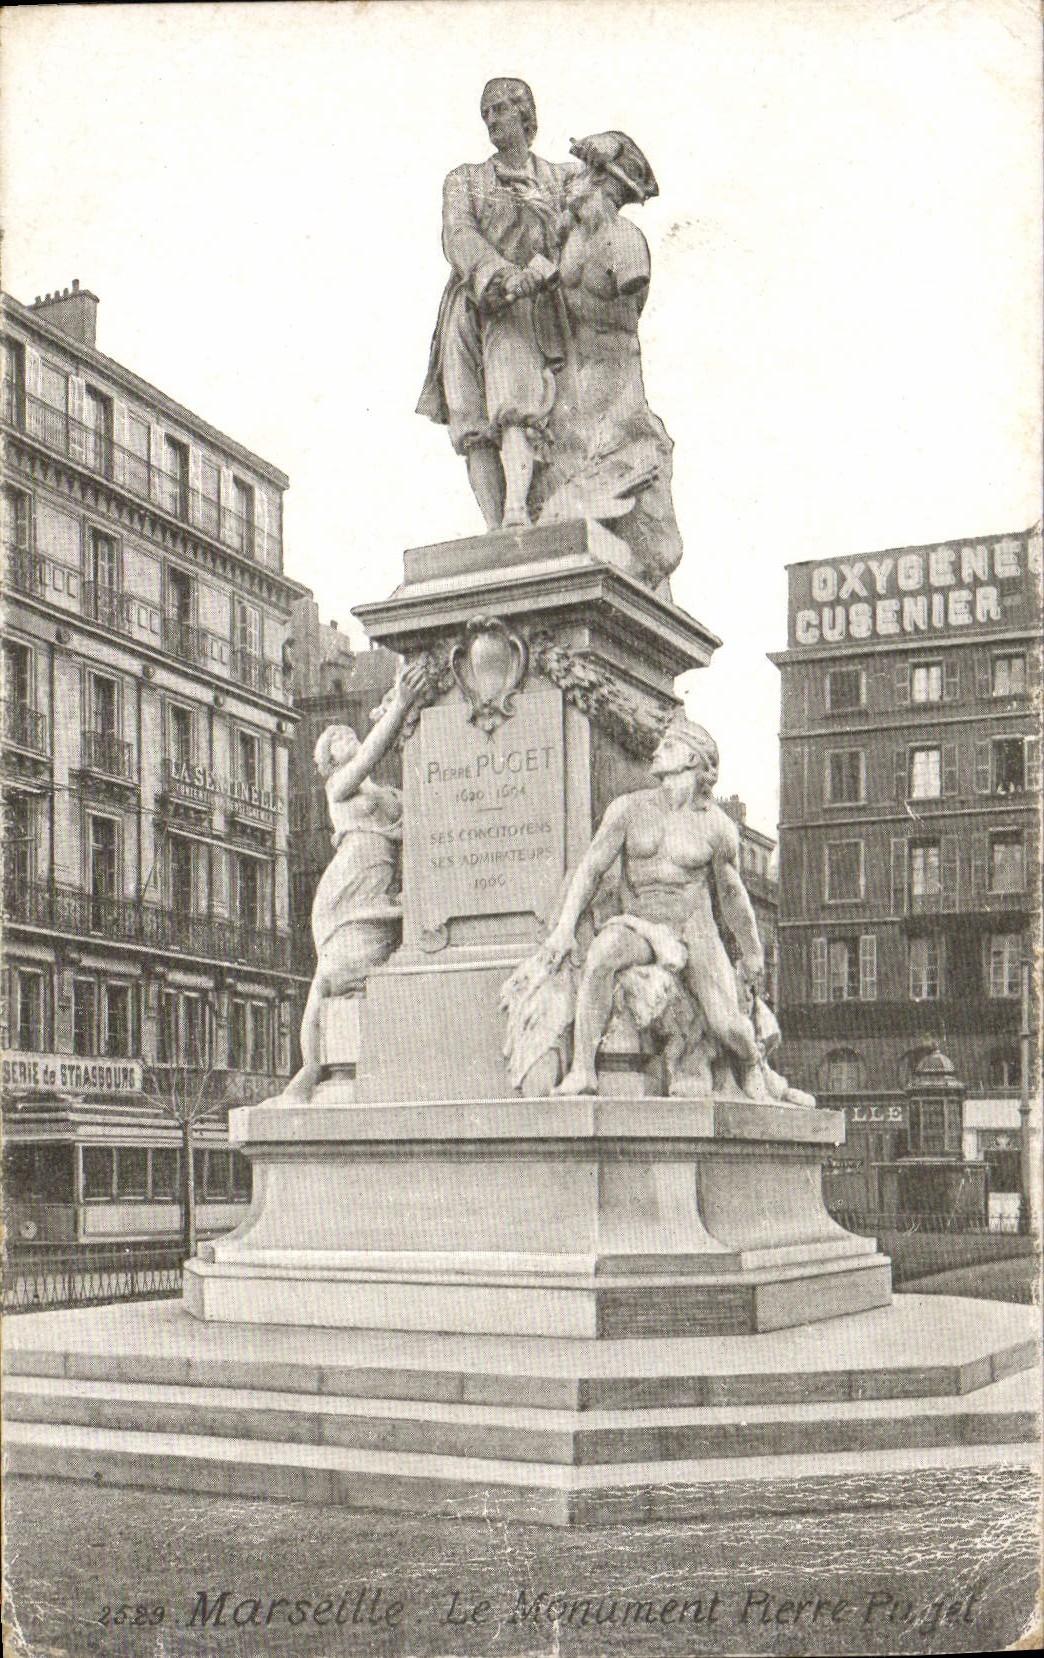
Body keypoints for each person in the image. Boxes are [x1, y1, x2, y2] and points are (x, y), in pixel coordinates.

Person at [538, 714, 767, 1098]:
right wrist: (564, 928)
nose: (657, 751)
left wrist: (753, 952)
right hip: (641, 923)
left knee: (727, 1024)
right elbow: (591, 868)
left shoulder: (717, 826)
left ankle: (751, 1060)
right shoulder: (628, 809)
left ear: (693, 760)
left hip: (695, 928)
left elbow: (732, 897)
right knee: (601, 955)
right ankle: (583, 1070)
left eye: (670, 746)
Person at [416, 78, 575, 530]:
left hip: (530, 309)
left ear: (526, 114)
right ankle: (493, 528)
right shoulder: (464, 179)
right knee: (470, 421)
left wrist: (545, 267)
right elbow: (459, 234)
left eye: (501, 109)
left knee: (514, 404)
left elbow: (590, 209)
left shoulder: (559, 178)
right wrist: (501, 275)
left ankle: (517, 512)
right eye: (486, 111)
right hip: (474, 301)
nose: (492, 119)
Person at [534, 132, 683, 594]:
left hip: (615, 389)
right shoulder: (566, 240)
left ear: (601, 182)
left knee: (646, 534)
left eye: (583, 174)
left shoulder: (624, 241)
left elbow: (627, 305)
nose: (571, 181)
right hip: (571, 390)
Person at [283, 661, 426, 1101]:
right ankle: (311, 1068)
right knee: (328, 977)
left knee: (360, 976)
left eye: (349, 732)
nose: (347, 738)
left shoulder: (386, 795)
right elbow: (369, 757)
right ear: (328, 762)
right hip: (348, 887)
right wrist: (399, 706)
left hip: (382, 886)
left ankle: (342, 1067)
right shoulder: (338, 787)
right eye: (335, 739)